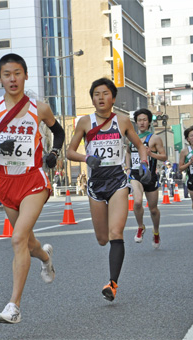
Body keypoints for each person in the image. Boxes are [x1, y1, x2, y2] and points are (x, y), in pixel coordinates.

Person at [0, 53, 65, 324]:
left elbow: (57, 133)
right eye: (7, 74)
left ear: (25, 75)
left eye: (17, 73)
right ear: (0, 78)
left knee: (16, 239)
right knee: (28, 242)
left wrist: (54, 153)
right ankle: (45, 258)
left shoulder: (39, 108)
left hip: (33, 179)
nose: (13, 79)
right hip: (6, 181)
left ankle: (14, 306)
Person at [66, 78, 151, 303]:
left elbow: (140, 145)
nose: (101, 97)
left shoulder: (122, 121)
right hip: (95, 185)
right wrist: (87, 158)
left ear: (113, 98)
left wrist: (143, 164)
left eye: (105, 93)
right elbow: (69, 152)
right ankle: (111, 277)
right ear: (92, 98)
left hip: (117, 182)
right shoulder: (85, 122)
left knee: (116, 233)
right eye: (96, 94)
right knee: (102, 239)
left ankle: (112, 284)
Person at [125, 108, 167, 249]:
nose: (141, 122)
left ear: (149, 122)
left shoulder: (155, 138)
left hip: (150, 175)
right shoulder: (131, 138)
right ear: (135, 122)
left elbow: (164, 156)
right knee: (137, 202)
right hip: (135, 175)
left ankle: (156, 232)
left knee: (153, 209)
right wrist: (127, 167)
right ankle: (140, 226)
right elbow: (128, 152)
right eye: (139, 120)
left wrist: (151, 154)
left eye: (144, 120)